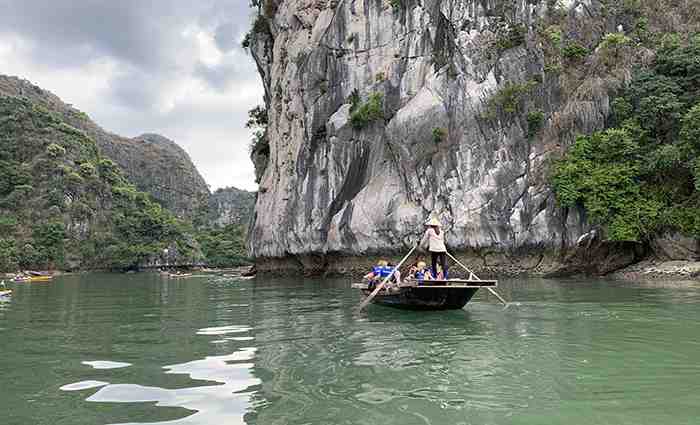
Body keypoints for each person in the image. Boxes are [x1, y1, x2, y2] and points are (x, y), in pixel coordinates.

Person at [420, 216, 448, 281]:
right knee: (443, 263)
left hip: (434, 250)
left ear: (431, 225)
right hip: (442, 249)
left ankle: (435, 277)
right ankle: (445, 277)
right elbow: (442, 241)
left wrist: (421, 245)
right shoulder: (441, 231)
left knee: (434, 264)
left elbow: (425, 239)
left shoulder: (429, 230)